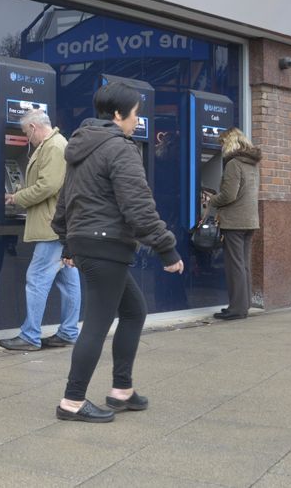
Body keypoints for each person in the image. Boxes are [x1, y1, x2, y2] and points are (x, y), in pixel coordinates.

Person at [51, 82, 184, 423]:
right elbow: (138, 206)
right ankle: (72, 401)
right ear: (117, 115)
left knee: (134, 310)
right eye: (136, 114)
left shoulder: (81, 147)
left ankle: (121, 391)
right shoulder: (119, 149)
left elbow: (65, 202)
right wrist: (167, 249)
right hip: (105, 244)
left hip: (89, 242)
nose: (138, 121)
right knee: (96, 323)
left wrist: (69, 242)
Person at [0, 109, 81, 352]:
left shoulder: (54, 147)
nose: (26, 139)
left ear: (34, 127)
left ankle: (30, 335)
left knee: (36, 279)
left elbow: (48, 185)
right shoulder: (54, 144)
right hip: (58, 225)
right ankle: (67, 332)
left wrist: (16, 198)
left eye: (26, 133)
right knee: (69, 281)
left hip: (51, 226)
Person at [204, 127, 261, 321]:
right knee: (243, 265)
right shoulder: (251, 163)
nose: (220, 147)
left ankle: (236, 309)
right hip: (250, 220)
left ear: (228, 143)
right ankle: (243, 306)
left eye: (222, 143)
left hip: (235, 221)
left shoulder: (234, 164)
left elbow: (229, 195)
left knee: (235, 266)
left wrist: (211, 200)